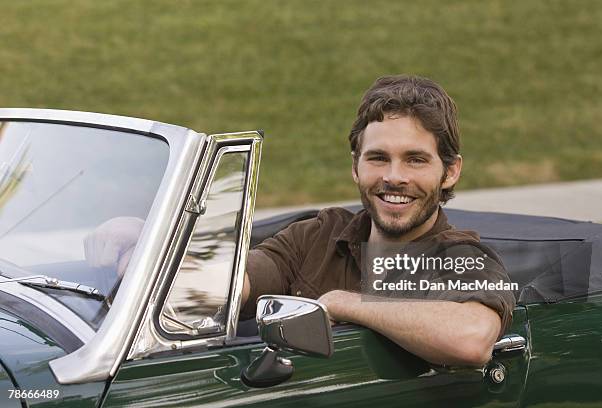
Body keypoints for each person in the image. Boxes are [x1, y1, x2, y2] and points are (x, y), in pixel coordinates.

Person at [85, 75, 515, 367]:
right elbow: (227, 284)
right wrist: (153, 242)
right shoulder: (319, 234)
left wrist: (342, 303)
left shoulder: (462, 256)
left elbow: (472, 339)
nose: (393, 177)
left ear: (450, 171)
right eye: (378, 158)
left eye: (416, 160)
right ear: (355, 166)